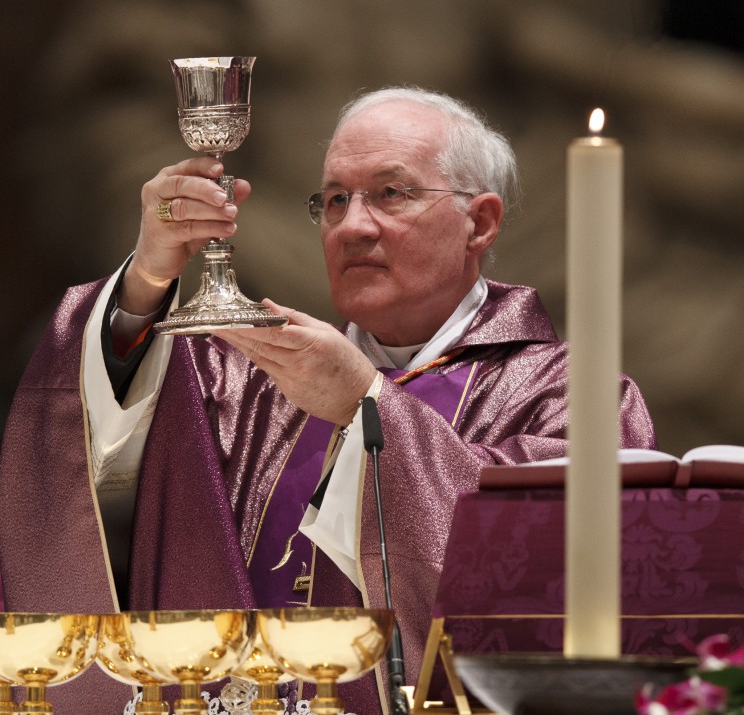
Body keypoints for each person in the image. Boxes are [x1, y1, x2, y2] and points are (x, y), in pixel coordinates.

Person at [0, 86, 657, 713]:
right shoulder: (259, 381)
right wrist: (148, 277)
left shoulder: (571, 399)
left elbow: (553, 580)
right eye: (335, 200)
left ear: (479, 223)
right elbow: (80, 430)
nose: (352, 226)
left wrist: (369, 409)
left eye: (390, 194)